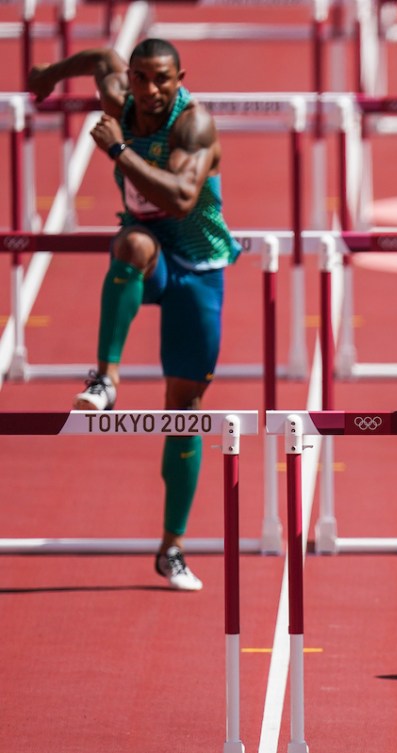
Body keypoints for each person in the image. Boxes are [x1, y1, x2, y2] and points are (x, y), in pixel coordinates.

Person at [28, 38, 241, 591]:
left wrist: (121, 152)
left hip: (198, 264)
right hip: (153, 252)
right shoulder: (121, 97)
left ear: (179, 79)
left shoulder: (193, 125)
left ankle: (172, 546)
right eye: (140, 79)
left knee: (186, 405)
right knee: (132, 247)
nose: (149, 91)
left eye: (161, 80)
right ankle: (106, 375)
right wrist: (49, 74)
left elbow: (182, 198)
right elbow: (99, 59)